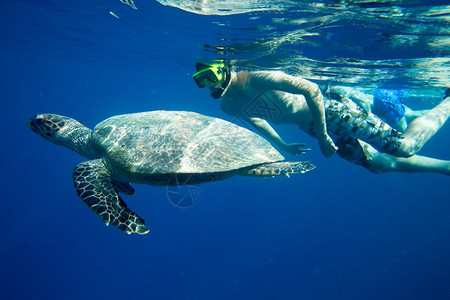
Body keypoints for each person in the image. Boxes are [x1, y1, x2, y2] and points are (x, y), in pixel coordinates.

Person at [192, 61, 450, 175]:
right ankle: (446, 168)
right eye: (201, 82)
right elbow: (255, 120)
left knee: (404, 147)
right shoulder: (228, 105)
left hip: (334, 112)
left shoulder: (257, 77)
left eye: (210, 77)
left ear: (224, 68)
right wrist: (282, 144)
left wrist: (325, 133)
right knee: (378, 165)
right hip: (312, 128)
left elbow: (311, 89)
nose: (209, 85)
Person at [323, 85, 429, 132]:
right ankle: (435, 113)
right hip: (383, 99)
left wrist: (367, 121)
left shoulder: (336, 91)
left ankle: (436, 121)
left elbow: (364, 103)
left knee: (406, 135)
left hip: (385, 104)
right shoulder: (336, 89)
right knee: (411, 115)